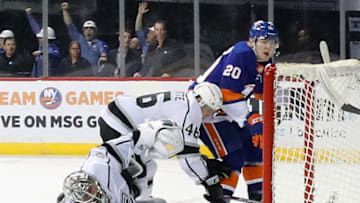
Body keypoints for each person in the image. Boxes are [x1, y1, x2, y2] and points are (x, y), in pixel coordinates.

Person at [189, 20, 280, 201]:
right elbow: (227, 93)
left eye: (272, 42)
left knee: (255, 148)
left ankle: (258, 197)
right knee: (235, 156)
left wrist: (266, 117)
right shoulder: (242, 54)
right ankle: (221, 197)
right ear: (252, 41)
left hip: (224, 113)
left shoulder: (265, 62)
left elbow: (261, 96)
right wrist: (251, 119)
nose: (268, 46)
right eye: (264, 41)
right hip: (204, 112)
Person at [97, 82, 231, 202]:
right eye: (208, 110)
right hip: (117, 123)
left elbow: (187, 151)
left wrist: (204, 164)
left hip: (118, 116)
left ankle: (141, 198)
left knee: (148, 166)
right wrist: (210, 182)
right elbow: (188, 159)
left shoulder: (186, 101)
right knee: (135, 171)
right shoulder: (192, 110)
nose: (208, 115)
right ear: (201, 101)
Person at [59, 119, 184, 203]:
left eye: (90, 189)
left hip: (127, 183)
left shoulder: (98, 167)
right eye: (87, 194)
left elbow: (110, 148)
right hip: (126, 193)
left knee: (148, 167)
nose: (92, 192)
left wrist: (143, 135)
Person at [61, 2, 108, 75]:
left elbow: (103, 54)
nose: (88, 30)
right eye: (86, 28)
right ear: (83, 31)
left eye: (91, 28)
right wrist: (65, 11)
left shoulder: (100, 44)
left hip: (95, 77)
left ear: (95, 31)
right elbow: (70, 25)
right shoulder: (78, 39)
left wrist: (103, 56)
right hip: (81, 75)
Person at [25, 8, 61, 77]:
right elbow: (36, 28)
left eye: (41, 37)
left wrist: (42, 53)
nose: (39, 38)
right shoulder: (41, 46)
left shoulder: (53, 48)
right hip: (36, 78)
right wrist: (29, 15)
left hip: (48, 79)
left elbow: (56, 55)